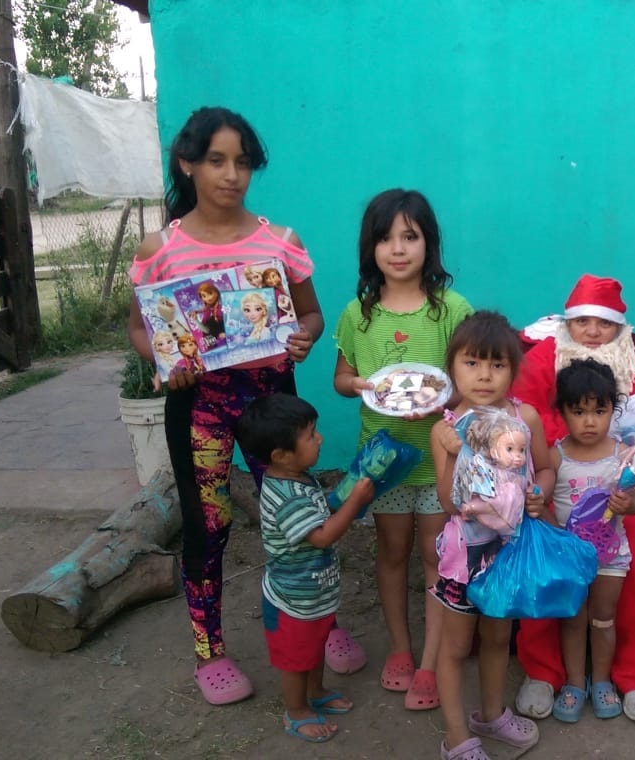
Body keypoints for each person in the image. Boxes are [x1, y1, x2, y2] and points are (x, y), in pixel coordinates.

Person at [126, 106, 341, 705]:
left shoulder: (281, 242)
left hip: (272, 397)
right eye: (217, 160)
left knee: (300, 507)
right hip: (201, 405)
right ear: (187, 163)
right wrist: (162, 361)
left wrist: (306, 335)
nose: (232, 174)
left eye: (242, 162)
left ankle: (320, 622)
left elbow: (312, 312)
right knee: (211, 524)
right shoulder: (160, 248)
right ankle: (210, 652)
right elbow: (140, 328)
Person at [332, 188, 473, 710]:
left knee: (435, 559)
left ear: (428, 245)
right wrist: (362, 385)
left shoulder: (451, 310)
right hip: (383, 462)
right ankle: (400, 649)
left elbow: (468, 381)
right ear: (371, 248)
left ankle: (432, 663)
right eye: (386, 238)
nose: (398, 249)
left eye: (410, 237)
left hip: (441, 459)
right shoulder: (358, 314)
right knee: (391, 555)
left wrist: (444, 399)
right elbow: (341, 378)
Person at [512, 274, 635, 721]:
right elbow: (522, 410)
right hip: (558, 485)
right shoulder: (547, 355)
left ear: (619, 327)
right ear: (567, 323)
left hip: (617, 493)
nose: (593, 332)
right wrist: (574, 437)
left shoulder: (634, 361)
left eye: (603, 324)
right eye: (582, 321)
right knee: (543, 563)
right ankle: (545, 672)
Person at [429, 311, 552, 760]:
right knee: (457, 645)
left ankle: (492, 714)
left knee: (500, 637)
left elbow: (548, 467)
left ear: (513, 371)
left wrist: (541, 494)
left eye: (497, 364)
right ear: (453, 369)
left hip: (511, 552)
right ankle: (458, 737)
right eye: (472, 363)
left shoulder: (527, 418)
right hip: (467, 555)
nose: (484, 375)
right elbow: (448, 502)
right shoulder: (445, 429)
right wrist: (456, 453)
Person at [234, 393, 376, 743]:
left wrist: (340, 497)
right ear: (281, 455)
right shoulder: (286, 496)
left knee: (315, 648)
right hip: (293, 602)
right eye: (311, 435)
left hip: (315, 595)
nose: (320, 438)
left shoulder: (298, 478)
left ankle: (316, 693)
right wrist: (356, 501)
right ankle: (296, 711)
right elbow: (322, 535)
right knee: (297, 659)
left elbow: (320, 510)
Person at [548, 358, 635, 722]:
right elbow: (540, 498)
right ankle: (575, 682)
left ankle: (601, 680)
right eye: (579, 411)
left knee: (603, 618)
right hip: (568, 557)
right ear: (562, 412)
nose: (589, 421)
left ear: (612, 411)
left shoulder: (624, 457)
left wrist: (629, 501)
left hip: (610, 557)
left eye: (599, 410)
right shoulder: (554, 456)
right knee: (573, 618)